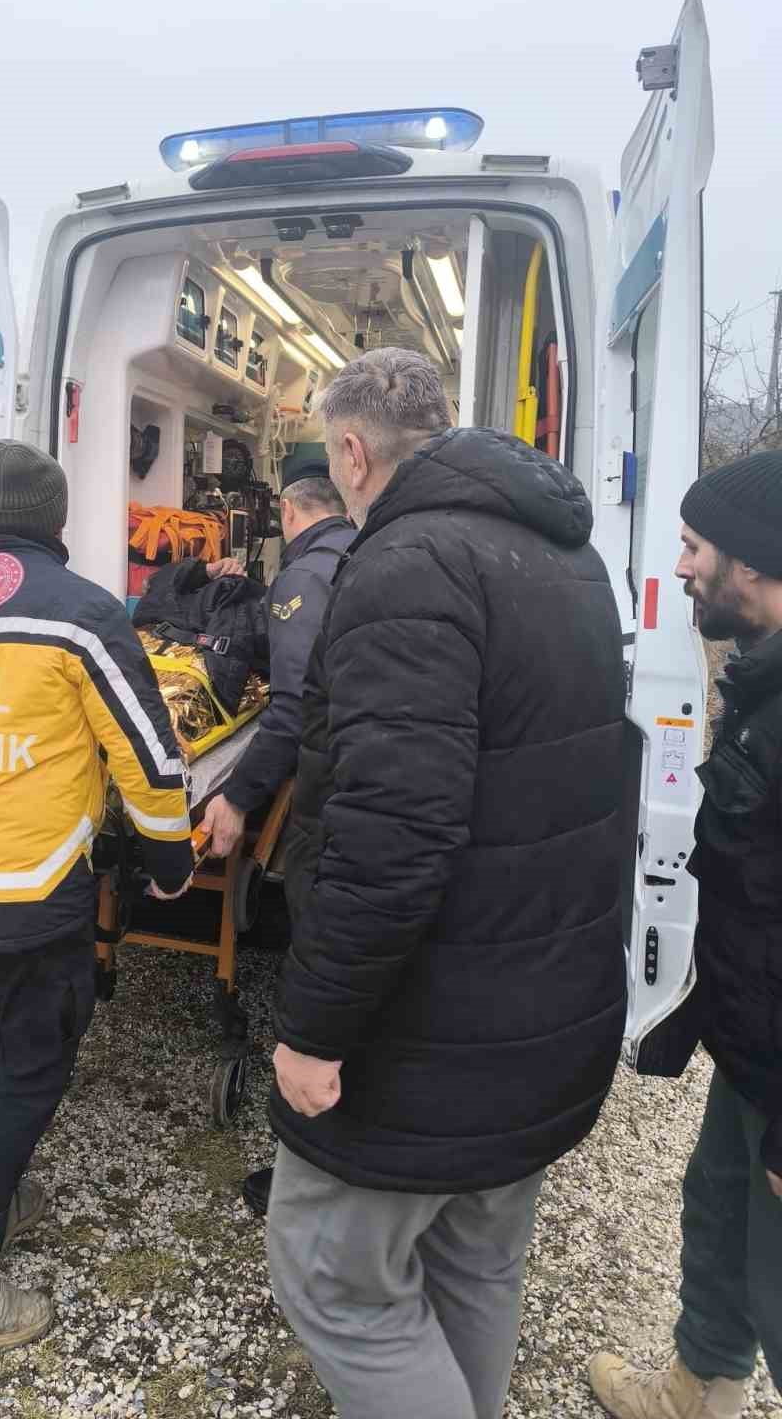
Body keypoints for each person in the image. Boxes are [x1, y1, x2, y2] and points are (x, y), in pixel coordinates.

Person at [266, 348, 627, 1419]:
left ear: (349, 451)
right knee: (475, 1262)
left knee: (332, 1278)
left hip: (427, 1036)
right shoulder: (566, 554)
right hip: (541, 1007)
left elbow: (394, 830)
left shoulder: (405, 565)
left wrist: (317, 1027)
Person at [0, 439, 194, 1351]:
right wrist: (170, 861)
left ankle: (1, 1191)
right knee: (38, 1060)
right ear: (58, 520)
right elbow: (145, 754)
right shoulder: (83, 615)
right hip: (42, 881)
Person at [590, 453, 782, 1419]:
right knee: (718, 1216)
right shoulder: (761, 683)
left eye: (694, 547)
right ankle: (699, 1390)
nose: (682, 566)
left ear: (751, 564)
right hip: (754, 1051)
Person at [203, 459, 355, 1217]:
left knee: (320, 952)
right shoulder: (363, 557)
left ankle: (313, 1156)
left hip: (336, 801)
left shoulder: (302, 579)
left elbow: (293, 711)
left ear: (291, 515)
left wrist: (235, 795)